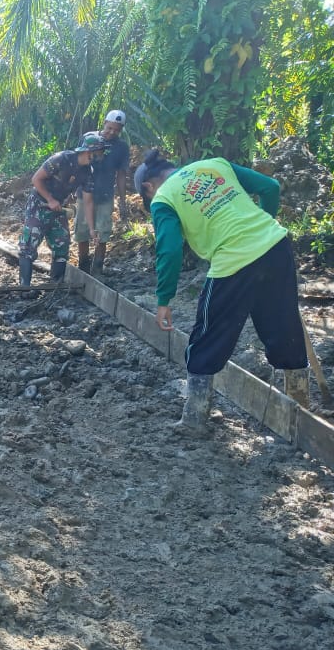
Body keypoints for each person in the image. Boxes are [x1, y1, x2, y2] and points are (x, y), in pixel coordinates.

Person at [135, 149, 309, 432]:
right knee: (283, 325)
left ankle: (194, 418)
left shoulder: (164, 198)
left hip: (234, 261)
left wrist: (164, 299)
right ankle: (299, 415)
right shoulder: (214, 164)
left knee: (207, 336)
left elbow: (168, 249)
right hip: (275, 246)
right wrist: (260, 229)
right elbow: (270, 187)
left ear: (148, 187)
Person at [18, 133, 107, 286]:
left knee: (62, 244)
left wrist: (92, 229)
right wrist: (50, 199)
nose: (99, 157)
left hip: (58, 208)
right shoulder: (61, 159)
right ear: (87, 152)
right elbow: (36, 179)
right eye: (97, 153)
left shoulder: (87, 172)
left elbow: (88, 202)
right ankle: (24, 287)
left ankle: (55, 285)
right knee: (29, 244)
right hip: (39, 204)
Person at [74, 109, 130, 275]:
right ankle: (83, 266)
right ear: (104, 123)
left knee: (102, 232)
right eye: (110, 128)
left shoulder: (121, 147)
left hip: (105, 195)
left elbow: (121, 174)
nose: (112, 132)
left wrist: (122, 200)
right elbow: (77, 163)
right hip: (84, 193)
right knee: (82, 231)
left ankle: (97, 269)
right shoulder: (88, 138)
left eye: (116, 130)